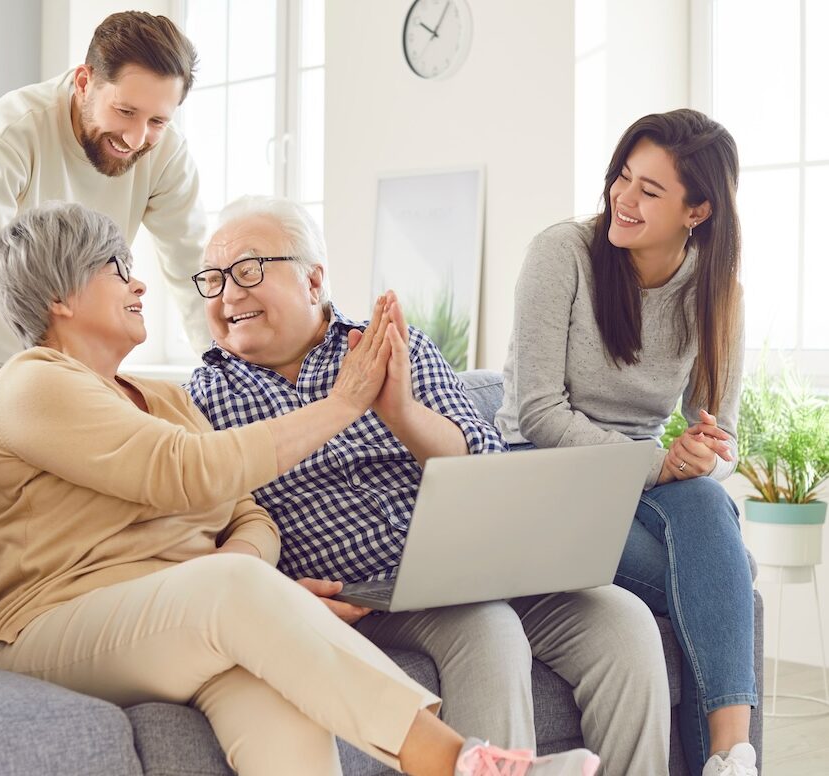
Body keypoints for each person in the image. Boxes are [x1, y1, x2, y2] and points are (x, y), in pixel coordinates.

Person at [0, 202, 602, 776]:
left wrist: (243, 569)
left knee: (284, 707)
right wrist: (344, 403)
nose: (139, 284)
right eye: (117, 269)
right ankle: (465, 764)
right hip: (49, 629)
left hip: (180, 619)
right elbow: (182, 469)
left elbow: (249, 513)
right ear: (61, 295)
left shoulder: (161, 398)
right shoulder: (33, 383)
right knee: (228, 592)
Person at [185, 194, 672, 775]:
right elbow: (207, 531)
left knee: (623, 621)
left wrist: (404, 415)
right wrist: (276, 592)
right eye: (212, 281)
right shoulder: (203, 397)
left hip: (477, 562)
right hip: (365, 593)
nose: (228, 295)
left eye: (247, 271)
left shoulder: (395, 347)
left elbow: (485, 463)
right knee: (487, 627)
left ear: (313, 281)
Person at [495, 109, 757, 776]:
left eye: (650, 190)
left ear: (697, 212)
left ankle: (733, 756)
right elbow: (538, 414)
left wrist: (701, 455)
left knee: (706, 507)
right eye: (623, 177)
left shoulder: (716, 290)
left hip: (645, 482)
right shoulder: (563, 255)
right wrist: (659, 463)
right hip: (543, 471)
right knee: (713, 578)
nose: (623, 197)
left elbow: (717, 432)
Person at [0, 11, 209, 394]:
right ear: (84, 82)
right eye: (125, 111)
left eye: (158, 121)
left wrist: (232, 375)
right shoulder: (11, 131)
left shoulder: (167, 155)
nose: (135, 138)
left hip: (76, 377)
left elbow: (194, 272)